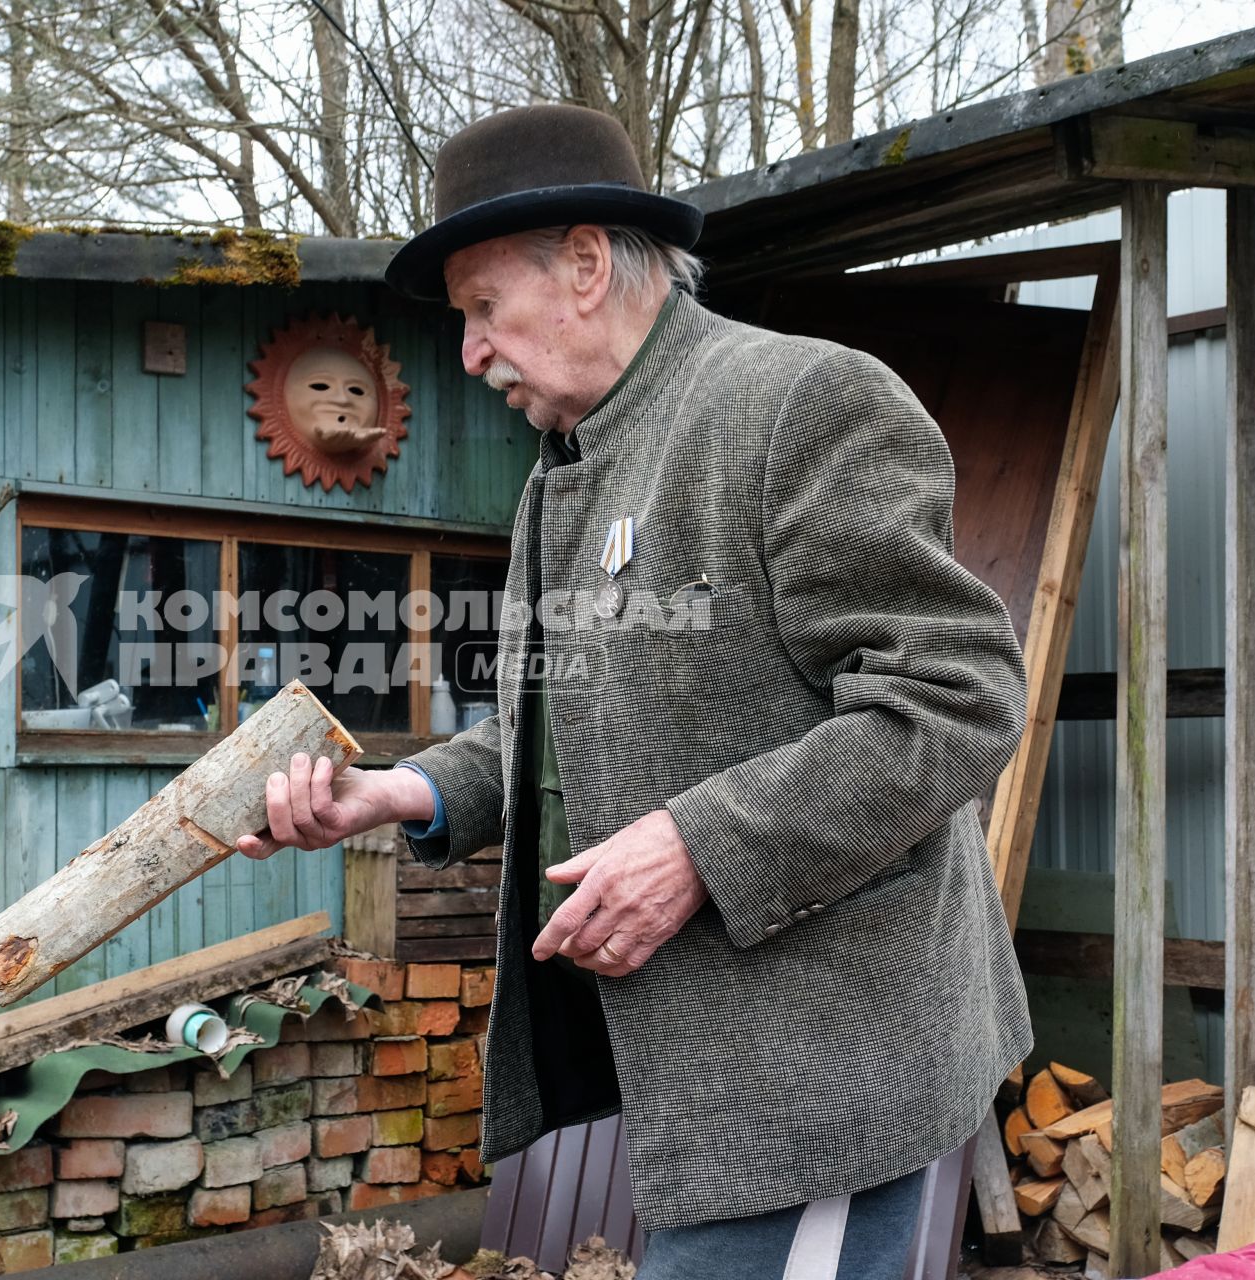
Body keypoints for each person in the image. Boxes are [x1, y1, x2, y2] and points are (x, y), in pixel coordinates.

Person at [235, 103, 1032, 1279]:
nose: (470, 353)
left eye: (482, 310)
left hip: (818, 1080)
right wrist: (395, 792)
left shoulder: (800, 404)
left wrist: (699, 846)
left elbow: (956, 698)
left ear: (588, 264)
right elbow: (549, 732)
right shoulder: (563, 475)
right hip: (701, 1082)